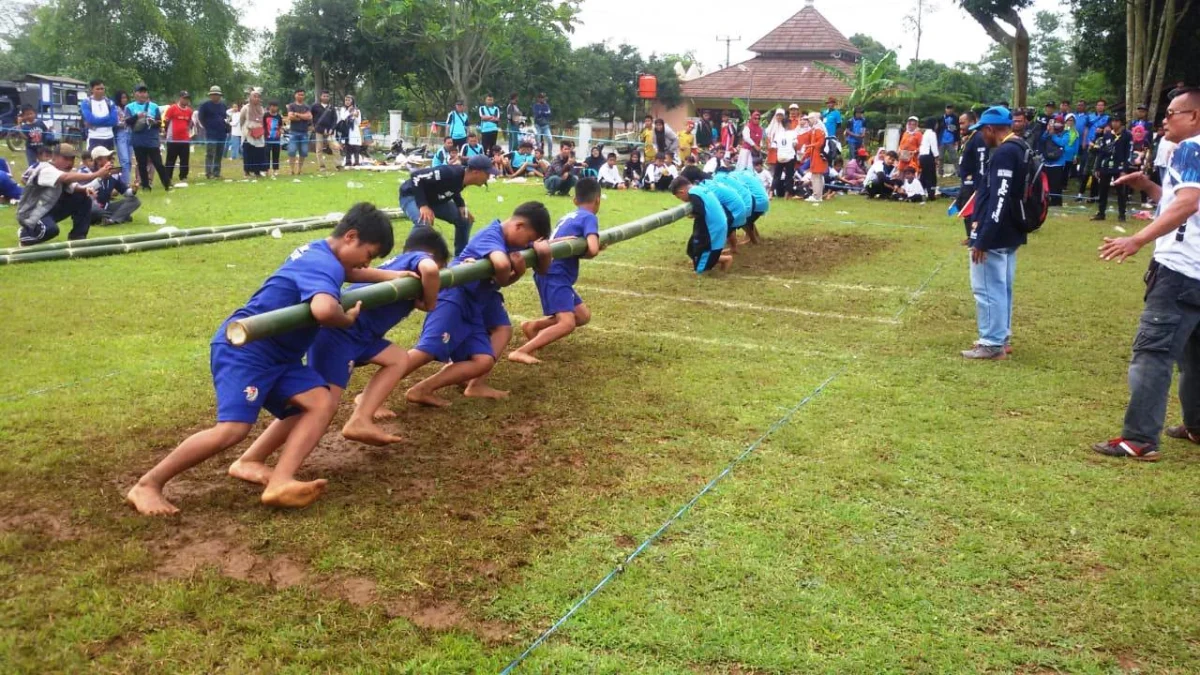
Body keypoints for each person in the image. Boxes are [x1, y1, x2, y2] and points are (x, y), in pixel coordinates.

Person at [126, 204, 396, 515]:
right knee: (232, 430)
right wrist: (346, 320)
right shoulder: (324, 265)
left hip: (281, 356)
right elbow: (324, 309)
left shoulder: (321, 252)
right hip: (247, 349)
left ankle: (279, 480)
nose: (367, 263)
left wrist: (391, 274)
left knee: (320, 402)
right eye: (369, 254)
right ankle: (147, 484)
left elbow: (350, 270)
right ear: (351, 237)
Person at [234, 229, 449, 467]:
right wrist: (430, 302)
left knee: (398, 358)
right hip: (339, 334)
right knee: (319, 407)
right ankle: (252, 458)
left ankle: (361, 418)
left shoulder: (400, 265)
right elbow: (429, 270)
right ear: (429, 255)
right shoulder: (418, 260)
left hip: (362, 334)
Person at [1091, 88, 1200, 462]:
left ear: (1195, 117)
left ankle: (1139, 439)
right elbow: (1181, 202)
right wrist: (1151, 187)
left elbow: (1188, 204)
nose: (1164, 120)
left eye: (1173, 113)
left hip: (1180, 271)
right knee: (1195, 355)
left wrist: (1136, 239)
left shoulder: (1191, 148)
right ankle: (1196, 425)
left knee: (1152, 353)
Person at [403, 202, 552, 407]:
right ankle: (369, 395)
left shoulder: (519, 240)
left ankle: (469, 385)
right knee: (428, 349)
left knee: (499, 335)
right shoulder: (491, 235)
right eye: (529, 239)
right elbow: (500, 265)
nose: (527, 244)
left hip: (483, 295)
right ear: (519, 226)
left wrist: (542, 253)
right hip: (457, 292)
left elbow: (543, 270)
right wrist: (515, 271)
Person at [511, 178, 603, 365]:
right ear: (598, 200)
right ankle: (521, 351)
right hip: (555, 274)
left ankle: (533, 326)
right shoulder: (589, 217)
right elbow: (592, 249)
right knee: (567, 323)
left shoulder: (569, 216)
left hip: (550, 270)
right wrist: (597, 245)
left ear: (575, 200)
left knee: (582, 316)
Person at [962, 107, 1026, 361]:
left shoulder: (1004, 153)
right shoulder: (1021, 148)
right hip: (1011, 230)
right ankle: (1000, 336)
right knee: (1002, 287)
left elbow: (999, 197)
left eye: (982, 131)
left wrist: (983, 238)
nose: (981, 137)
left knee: (987, 288)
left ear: (990, 129)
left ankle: (991, 342)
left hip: (997, 232)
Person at [400, 154, 498, 254]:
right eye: (487, 173)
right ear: (476, 172)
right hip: (412, 196)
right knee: (424, 222)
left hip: (434, 201)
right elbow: (417, 176)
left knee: (464, 219)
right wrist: (423, 205)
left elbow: (453, 187)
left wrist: (461, 205)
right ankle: (406, 256)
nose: (489, 177)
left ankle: (460, 258)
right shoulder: (448, 172)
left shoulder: (462, 178)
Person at [16, 143, 109, 246]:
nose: (70, 163)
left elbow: (73, 186)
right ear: (54, 157)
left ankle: (77, 238)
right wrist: (96, 174)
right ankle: (25, 234)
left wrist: (90, 186)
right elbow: (65, 178)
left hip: (46, 210)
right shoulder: (46, 169)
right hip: (31, 214)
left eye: (72, 159)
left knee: (83, 197)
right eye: (66, 158)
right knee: (50, 230)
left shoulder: (60, 172)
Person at [669, 176, 732, 273]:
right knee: (691, 249)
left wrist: (692, 214)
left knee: (701, 268)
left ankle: (725, 259)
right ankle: (715, 260)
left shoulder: (693, 194)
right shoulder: (699, 188)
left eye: (679, 197)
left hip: (711, 227)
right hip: (714, 223)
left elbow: (700, 211)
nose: (681, 199)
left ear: (682, 192)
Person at [126, 85, 171, 191]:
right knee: (141, 163)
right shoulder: (130, 107)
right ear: (135, 94)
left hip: (152, 139)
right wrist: (137, 116)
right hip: (138, 138)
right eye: (140, 92)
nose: (143, 94)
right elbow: (127, 121)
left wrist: (153, 122)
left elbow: (160, 122)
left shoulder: (154, 106)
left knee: (158, 162)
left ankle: (166, 183)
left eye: (145, 92)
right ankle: (145, 185)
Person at [82, 146, 140, 224]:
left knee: (134, 200)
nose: (112, 160)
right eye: (109, 158)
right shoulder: (85, 172)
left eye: (112, 158)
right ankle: (119, 216)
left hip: (106, 207)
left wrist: (133, 190)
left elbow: (125, 192)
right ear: (98, 160)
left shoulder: (113, 174)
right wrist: (101, 177)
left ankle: (111, 220)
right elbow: (83, 190)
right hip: (90, 207)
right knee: (94, 210)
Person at [1091, 115, 1133, 222]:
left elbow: (1129, 153)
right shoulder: (1107, 135)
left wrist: (1124, 169)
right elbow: (1101, 152)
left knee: (1121, 192)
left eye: (1117, 121)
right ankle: (1101, 213)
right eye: (1113, 121)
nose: (1114, 123)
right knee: (1103, 190)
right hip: (1106, 166)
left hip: (1119, 166)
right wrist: (1097, 167)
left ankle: (1122, 215)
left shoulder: (1127, 135)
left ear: (1121, 123)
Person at [163, 91, 194, 183]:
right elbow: (166, 121)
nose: (186, 100)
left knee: (184, 159)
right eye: (184, 98)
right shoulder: (172, 108)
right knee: (170, 159)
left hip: (184, 139)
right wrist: (167, 133)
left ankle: (183, 176)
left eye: (187, 98)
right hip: (173, 139)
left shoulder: (189, 111)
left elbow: (189, 123)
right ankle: (168, 177)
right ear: (180, 98)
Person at [80, 79, 118, 154]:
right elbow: (91, 120)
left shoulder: (110, 102)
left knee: (108, 163)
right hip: (94, 138)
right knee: (93, 163)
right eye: (98, 89)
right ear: (92, 90)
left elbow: (114, 121)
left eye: (102, 89)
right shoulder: (86, 103)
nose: (100, 91)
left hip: (109, 137)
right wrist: (107, 117)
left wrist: (96, 122)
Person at [198, 86, 228, 180]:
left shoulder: (223, 105)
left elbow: (225, 117)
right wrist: (207, 126)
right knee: (210, 153)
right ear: (210, 95)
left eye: (217, 94)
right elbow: (200, 118)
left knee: (219, 153)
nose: (215, 96)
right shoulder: (205, 105)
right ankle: (208, 172)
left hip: (222, 133)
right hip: (211, 133)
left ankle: (216, 172)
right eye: (213, 94)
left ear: (220, 95)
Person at [1041, 118, 1070, 207]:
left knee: (1056, 183)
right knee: (1047, 182)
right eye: (1055, 123)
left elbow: (1062, 143)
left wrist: (1053, 135)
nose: (1057, 124)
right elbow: (1042, 139)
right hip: (1047, 161)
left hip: (1058, 162)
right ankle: (1048, 200)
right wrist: (1047, 131)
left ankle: (1057, 201)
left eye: (1059, 123)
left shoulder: (1066, 133)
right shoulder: (1049, 132)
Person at [239, 90, 267, 178]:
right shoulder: (245, 108)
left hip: (259, 134)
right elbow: (242, 120)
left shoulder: (261, 109)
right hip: (248, 133)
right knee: (248, 152)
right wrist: (247, 129)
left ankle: (257, 172)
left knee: (258, 153)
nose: (256, 98)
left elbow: (263, 120)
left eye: (258, 97)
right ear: (250, 98)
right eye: (254, 96)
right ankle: (247, 172)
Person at [286, 89, 313, 175]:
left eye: (302, 95)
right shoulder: (291, 105)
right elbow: (290, 117)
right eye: (299, 94)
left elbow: (309, 117)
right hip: (293, 132)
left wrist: (297, 115)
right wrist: (303, 116)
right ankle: (292, 170)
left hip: (304, 132)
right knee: (292, 151)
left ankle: (299, 170)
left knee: (304, 152)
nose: (301, 96)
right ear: (295, 95)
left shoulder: (307, 106)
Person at [17, 105, 51, 170]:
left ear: (34, 113)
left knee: (44, 164)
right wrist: (19, 127)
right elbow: (25, 138)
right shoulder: (25, 126)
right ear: (23, 116)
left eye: (31, 113)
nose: (29, 116)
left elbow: (46, 132)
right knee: (32, 165)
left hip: (41, 147)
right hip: (31, 149)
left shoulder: (40, 122)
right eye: (27, 114)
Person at [804, 112, 828, 202]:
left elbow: (820, 143)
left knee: (816, 176)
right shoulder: (815, 129)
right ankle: (818, 195)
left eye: (809, 120)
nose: (808, 122)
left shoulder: (818, 130)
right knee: (817, 176)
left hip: (819, 156)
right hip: (816, 156)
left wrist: (810, 146)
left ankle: (817, 196)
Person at [312, 92, 338, 171]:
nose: (325, 97)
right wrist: (313, 126)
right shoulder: (315, 106)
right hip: (319, 130)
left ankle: (338, 165)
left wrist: (332, 129)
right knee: (319, 149)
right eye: (324, 96)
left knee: (335, 148)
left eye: (327, 96)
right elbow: (310, 116)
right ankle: (322, 166)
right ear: (321, 97)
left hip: (330, 131)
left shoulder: (331, 108)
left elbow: (335, 119)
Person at [338, 95, 363, 167]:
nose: (347, 102)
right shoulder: (343, 109)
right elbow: (343, 117)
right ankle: (348, 162)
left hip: (354, 130)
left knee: (356, 147)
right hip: (346, 130)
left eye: (349, 100)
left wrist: (355, 116)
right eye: (346, 100)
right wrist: (349, 112)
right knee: (347, 146)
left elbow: (358, 122)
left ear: (352, 101)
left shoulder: (357, 110)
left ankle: (356, 162)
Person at [919, 116, 940, 199]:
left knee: (924, 175)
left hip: (922, 156)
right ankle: (931, 194)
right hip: (928, 156)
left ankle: (920, 191)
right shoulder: (932, 133)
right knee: (931, 176)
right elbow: (934, 146)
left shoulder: (925, 133)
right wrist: (937, 157)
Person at [263, 100, 284, 177]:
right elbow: (263, 125)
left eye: (275, 106)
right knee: (266, 154)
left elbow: (281, 126)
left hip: (276, 138)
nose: (273, 107)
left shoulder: (278, 116)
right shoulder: (265, 115)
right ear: (269, 106)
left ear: (277, 107)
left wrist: (281, 131)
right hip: (267, 138)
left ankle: (275, 170)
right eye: (272, 106)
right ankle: (266, 170)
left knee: (276, 154)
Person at [940, 104, 959, 176]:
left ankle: (958, 171)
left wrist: (948, 127)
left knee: (954, 157)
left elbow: (957, 128)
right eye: (948, 108)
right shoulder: (942, 117)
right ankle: (940, 172)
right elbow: (938, 128)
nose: (949, 110)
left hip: (951, 140)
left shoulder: (956, 118)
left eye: (950, 108)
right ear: (945, 109)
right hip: (942, 140)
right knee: (940, 158)